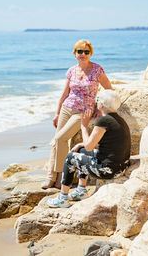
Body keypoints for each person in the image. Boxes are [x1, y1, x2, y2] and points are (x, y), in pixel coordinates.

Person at [41, 39, 113, 189]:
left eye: (86, 52)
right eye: (80, 51)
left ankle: (61, 175)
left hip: (82, 112)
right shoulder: (72, 70)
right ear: (75, 53)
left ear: (90, 54)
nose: (83, 54)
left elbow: (109, 90)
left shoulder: (97, 70)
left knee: (60, 138)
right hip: (67, 108)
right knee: (56, 141)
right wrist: (57, 112)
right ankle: (50, 176)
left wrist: (99, 108)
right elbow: (65, 93)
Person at [47, 90, 131, 208]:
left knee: (70, 157)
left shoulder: (104, 120)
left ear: (101, 104)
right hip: (120, 167)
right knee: (80, 151)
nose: (96, 103)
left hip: (108, 170)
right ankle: (81, 190)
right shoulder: (118, 119)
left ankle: (63, 198)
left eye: (97, 100)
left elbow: (89, 146)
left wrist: (83, 126)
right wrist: (81, 145)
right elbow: (104, 144)